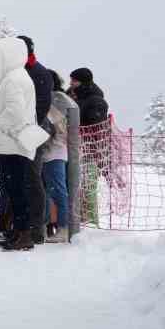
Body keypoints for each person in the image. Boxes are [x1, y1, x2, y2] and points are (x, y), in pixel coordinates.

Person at [0, 37, 47, 251]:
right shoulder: (16, 76)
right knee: (15, 188)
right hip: (12, 142)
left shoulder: (12, 79)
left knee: (17, 189)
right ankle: (19, 231)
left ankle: (23, 233)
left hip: (12, 142)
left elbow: (14, 111)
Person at [18, 37, 55, 244]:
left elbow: (42, 104)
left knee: (32, 178)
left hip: (31, 130)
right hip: (14, 131)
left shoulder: (39, 73)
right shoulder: (15, 71)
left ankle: (36, 228)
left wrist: (27, 127)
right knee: (15, 179)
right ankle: (19, 225)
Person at [68, 67, 109, 224]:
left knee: (88, 188)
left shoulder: (96, 101)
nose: (71, 83)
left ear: (83, 82)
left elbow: (95, 126)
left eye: (74, 81)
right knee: (75, 189)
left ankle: (91, 224)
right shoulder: (71, 95)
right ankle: (79, 222)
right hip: (72, 150)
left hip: (90, 151)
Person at [43, 73, 77, 242]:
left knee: (57, 190)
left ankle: (63, 227)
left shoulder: (57, 99)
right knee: (47, 191)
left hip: (54, 150)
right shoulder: (55, 98)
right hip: (48, 150)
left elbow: (52, 125)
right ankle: (47, 226)